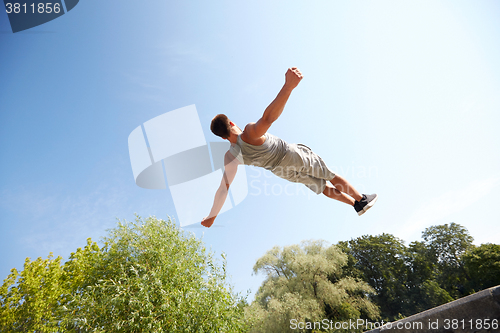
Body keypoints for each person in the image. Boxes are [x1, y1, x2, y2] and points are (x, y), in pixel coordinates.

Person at [201, 67, 377, 228]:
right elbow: (268, 119)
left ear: (222, 137)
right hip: (290, 155)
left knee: (322, 188)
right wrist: (288, 87)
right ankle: (361, 199)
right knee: (329, 175)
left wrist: (212, 216)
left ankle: (355, 205)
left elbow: (224, 188)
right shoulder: (248, 133)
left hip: (281, 172)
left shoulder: (230, 157)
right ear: (231, 123)